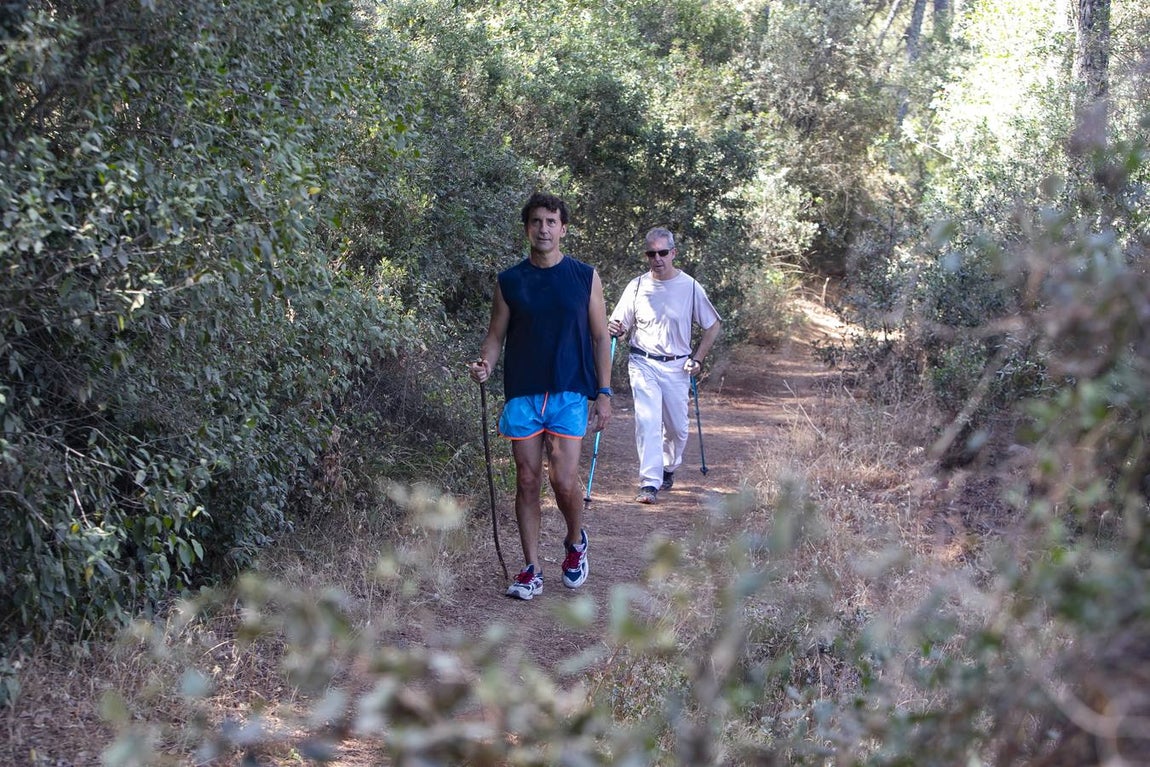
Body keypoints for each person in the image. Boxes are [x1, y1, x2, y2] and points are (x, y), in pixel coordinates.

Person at [469, 192, 614, 600]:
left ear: (563, 229)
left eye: (551, 222)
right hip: (523, 392)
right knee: (527, 479)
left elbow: (601, 337)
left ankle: (574, 542)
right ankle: (531, 568)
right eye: (536, 222)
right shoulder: (510, 281)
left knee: (563, 480)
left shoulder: (585, 276)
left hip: (570, 390)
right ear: (527, 228)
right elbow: (495, 336)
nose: (544, 229)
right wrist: (485, 365)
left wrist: (603, 392)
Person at [607, 227, 721, 504]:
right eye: (651, 253)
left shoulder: (690, 286)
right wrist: (615, 329)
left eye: (662, 252)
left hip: (677, 366)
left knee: (678, 428)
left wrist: (698, 358)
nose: (657, 258)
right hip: (642, 361)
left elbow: (713, 324)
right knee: (647, 421)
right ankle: (649, 482)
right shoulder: (636, 286)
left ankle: (669, 467)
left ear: (673, 253)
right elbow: (620, 328)